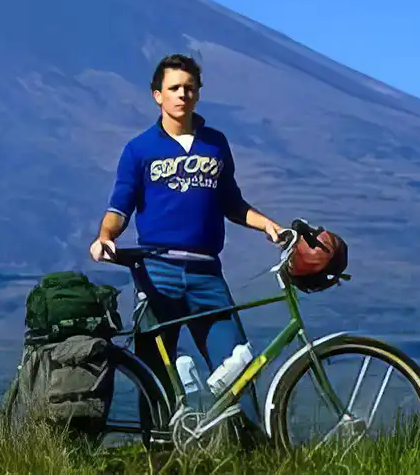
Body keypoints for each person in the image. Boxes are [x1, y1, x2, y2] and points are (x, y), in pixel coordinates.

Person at [89, 53, 282, 433]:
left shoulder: (215, 144)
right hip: (157, 271)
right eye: (174, 88)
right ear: (157, 95)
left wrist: (267, 225)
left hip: (207, 272)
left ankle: (249, 451)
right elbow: (121, 204)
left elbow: (232, 202)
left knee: (239, 364)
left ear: (198, 93)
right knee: (155, 373)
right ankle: (158, 453)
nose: (182, 95)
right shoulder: (139, 149)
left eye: (189, 88)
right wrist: (105, 236)